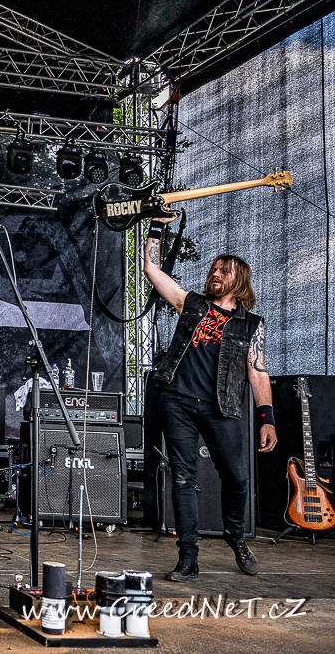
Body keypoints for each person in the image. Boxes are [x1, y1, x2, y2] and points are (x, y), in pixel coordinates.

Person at [143, 215, 277, 582]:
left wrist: (266, 418)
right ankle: (188, 558)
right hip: (177, 400)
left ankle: (236, 536)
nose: (215, 273)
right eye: (214, 269)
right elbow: (151, 269)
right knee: (183, 478)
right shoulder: (192, 304)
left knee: (237, 478)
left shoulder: (251, 325)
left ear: (239, 279)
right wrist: (156, 226)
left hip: (222, 407)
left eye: (224, 271)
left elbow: (257, 371)